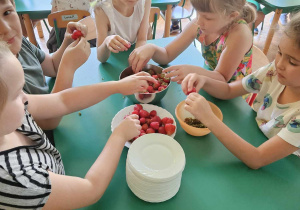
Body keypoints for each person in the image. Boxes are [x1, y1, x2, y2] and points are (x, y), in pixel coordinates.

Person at [0, 40, 157, 209]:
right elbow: (91, 190)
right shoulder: (18, 180)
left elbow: (62, 101)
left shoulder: (11, 115)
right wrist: (119, 136)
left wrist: (117, 86)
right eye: (17, 94)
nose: (26, 98)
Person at [180, 13, 300, 169]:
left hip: (286, 168)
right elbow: (229, 90)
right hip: (254, 137)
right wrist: (204, 80)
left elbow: (257, 159)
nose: (279, 64)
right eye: (279, 52)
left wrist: (209, 118)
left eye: (292, 62)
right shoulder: (273, 73)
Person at [1, 0, 90, 144]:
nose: (5, 28)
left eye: (6, 12)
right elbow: (48, 121)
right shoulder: (4, 78)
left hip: (58, 112)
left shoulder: (20, 43)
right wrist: (68, 67)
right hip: (44, 142)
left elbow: (53, 66)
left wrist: (67, 41)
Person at [129, 0, 256, 84]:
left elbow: (222, 78)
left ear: (231, 16)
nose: (199, 21)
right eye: (197, 13)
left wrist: (193, 71)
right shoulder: (200, 24)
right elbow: (167, 54)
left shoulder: (239, 34)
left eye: (207, 17)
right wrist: (153, 48)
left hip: (233, 94)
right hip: (208, 81)